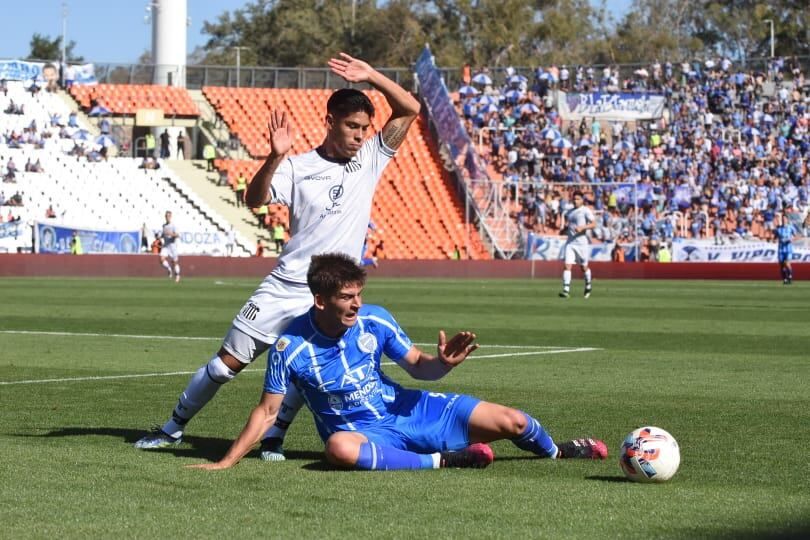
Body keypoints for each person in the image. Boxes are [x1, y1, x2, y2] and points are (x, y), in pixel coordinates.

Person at [134, 53, 421, 455]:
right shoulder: (297, 167)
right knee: (225, 365)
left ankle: (275, 436)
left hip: (332, 293)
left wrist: (371, 75)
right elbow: (254, 200)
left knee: (314, 368)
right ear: (329, 122)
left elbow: (410, 108)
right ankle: (172, 428)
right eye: (351, 126)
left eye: (364, 128)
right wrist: (273, 158)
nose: (359, 135)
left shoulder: (370, 159)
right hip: (286, 286)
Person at [188, 254, 607, 472]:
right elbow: (267, 412)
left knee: (514, 421)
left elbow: (418, 367)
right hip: (360, 434)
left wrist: (443, 364)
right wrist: (226, 461)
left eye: (359, 294)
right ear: (320, 301)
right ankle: (446, 461)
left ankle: (555, 453)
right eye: (346, 297)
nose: (357, 304)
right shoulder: (289, 347)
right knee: (337, 449)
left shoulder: (376, 319)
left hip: (411, 410)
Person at [559, 191, 596, 298]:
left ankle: (588, 284)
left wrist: (582, 227)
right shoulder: (569, 212)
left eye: (578, 199)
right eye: (574, 199)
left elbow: (594, 224)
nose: (576, 201)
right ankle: (566, 290)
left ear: (582, 200)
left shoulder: (585, 211)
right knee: (567, 265)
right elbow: (570, 225)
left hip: (581, 244)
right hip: (570, 243)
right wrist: (564, 230)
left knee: (584, 267)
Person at [774, 214, 798, 285]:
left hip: (788, 249)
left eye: (785, 219)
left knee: (787, 263)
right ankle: (784, 279)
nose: (784, 220)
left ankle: (790, 277)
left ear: (787, 220)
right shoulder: (779, 229)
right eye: (782, 219)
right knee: (781, 265)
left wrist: (792, 239)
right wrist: (775, 240)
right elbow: (775, 238)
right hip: (781, 249)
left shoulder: (791, 228)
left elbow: (796, 236)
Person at [159, 211, 181, 283]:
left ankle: (177, 275)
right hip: (166, 245)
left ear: (171, 217)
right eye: (166, 216)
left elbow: (177, 235)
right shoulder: (164, 226)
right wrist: (160, 236)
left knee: (175, 262)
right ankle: (169, 269)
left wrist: (171, 234)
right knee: (161, 259)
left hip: (172, 246)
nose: (167, 217)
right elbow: (163, 234)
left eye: (169, 216)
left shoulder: (173, 225)